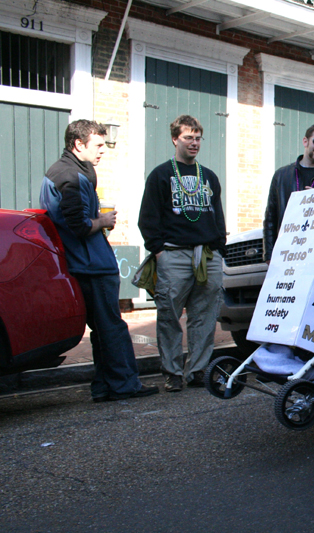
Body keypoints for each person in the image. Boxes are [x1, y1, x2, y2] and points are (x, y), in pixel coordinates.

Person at [40, 120, 158, 402]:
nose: (104, 150)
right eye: (99, 145)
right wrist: (102, 220)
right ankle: (124, 385)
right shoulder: (71, 176)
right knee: (111, 326)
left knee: (101, 328)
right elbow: (79, 225)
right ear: (79, 144)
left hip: (81, 262)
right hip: (92, 264)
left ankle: (104, 386)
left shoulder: (67, 170)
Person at [139, 115, 227, 392]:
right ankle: (172, 372)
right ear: (175, 138)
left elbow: (218, 217)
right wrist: (159, 252)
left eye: (198, 137)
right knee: (169, 315)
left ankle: (198, 369)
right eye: (189, 137)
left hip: (207, 255)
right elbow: (148, 217)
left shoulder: (209, 176)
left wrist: (219, 251)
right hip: (174, 255)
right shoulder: (161, 175)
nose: (194, 142)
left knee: (205, 316)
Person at [263, 124, 314, 263]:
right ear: (305, 141)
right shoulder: (282, 175)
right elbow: (271, 218)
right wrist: (269, 256)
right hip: (286, 252)